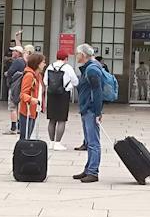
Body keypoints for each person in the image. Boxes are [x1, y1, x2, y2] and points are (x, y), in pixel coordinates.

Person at [74, 43, 111, 182]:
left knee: (93, 142)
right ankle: (88, 168)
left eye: (77, 54)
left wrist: (97, 112)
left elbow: (97, 91)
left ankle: (93, 172)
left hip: (90, 109)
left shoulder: (92, 70)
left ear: (83, 55)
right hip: (86, 108)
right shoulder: (89, 68)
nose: (76, 56)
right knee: (89, 141)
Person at [43, 49, 77, 150]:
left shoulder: (50, 66)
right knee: (62, 119)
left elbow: (45, 81)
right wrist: (69, 85)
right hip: (63, 94)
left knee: (52, 119)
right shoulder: (68, 67)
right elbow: (75, 82)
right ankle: (58, 143)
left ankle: (51, 142)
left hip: (51, 94)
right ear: (66, 58)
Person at [18, 51, 44, 141]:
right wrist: (32, 99)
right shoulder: (29, 75)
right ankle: (20, 154)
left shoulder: (38, 76)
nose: (44, 64)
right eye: (43, 62)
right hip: (27, 110)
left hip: (34, 109)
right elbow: (23, 94)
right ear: (37, 63)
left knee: (28, 136)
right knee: (25, 137)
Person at [5, 49, 26, 132]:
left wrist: (6, 73)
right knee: (20, 106)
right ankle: (20, 126)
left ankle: (13, 128)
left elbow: (10, 72)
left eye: (14, 51)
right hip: (21, 85)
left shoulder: (17, 62)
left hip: (14, 86)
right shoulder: (24, 61)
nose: (12, 53)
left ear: (18, 53)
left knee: (13, 106)